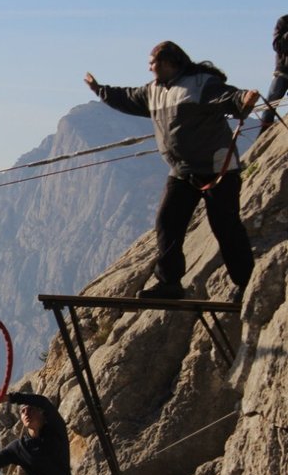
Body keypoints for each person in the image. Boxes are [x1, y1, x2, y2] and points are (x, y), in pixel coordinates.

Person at [85, 41, 259, 302]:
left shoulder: (201, 84)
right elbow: (127, 97)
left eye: (152, 62)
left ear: (168, 63)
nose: (149, 67)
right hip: (182, 171)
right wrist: (100, 90)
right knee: (167, 223)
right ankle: (169, 283)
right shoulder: (153, 91)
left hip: (217, 170)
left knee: (226, 227)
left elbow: (231, 98)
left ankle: (247, 283)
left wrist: (244, 100)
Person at [260, 14, 288, 131]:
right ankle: (263, 135)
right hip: (283, 70)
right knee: (271, 103)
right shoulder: (284, 21)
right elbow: (277, 46)